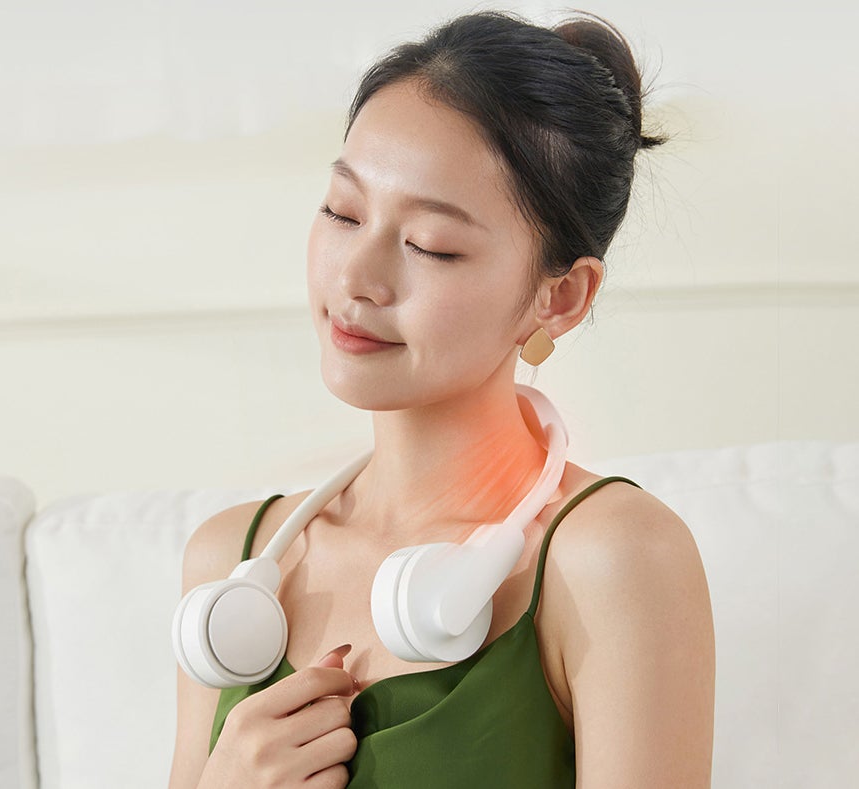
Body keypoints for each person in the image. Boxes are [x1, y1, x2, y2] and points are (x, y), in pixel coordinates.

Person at [170, 10, 714, 788]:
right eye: (343, 210)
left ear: (559, 297)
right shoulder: (231, 565)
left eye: (430, 245)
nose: (357, 277)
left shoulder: (616, 557)